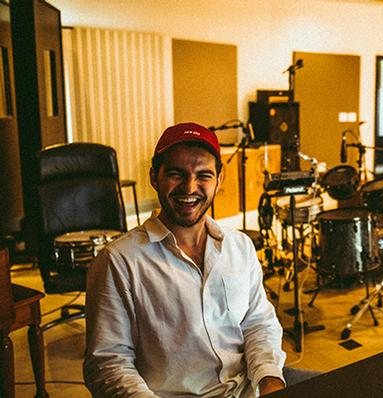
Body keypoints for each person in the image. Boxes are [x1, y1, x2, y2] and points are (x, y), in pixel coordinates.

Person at [83, 122, 287, 397]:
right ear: (154, 177)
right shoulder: (119, 262)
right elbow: (108, 364)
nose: (190, 187)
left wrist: (270, 381)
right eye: (176, 174)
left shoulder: (240, 247)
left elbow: (258, 323)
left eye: (204, 175)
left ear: (219, 180)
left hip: (246, 388)